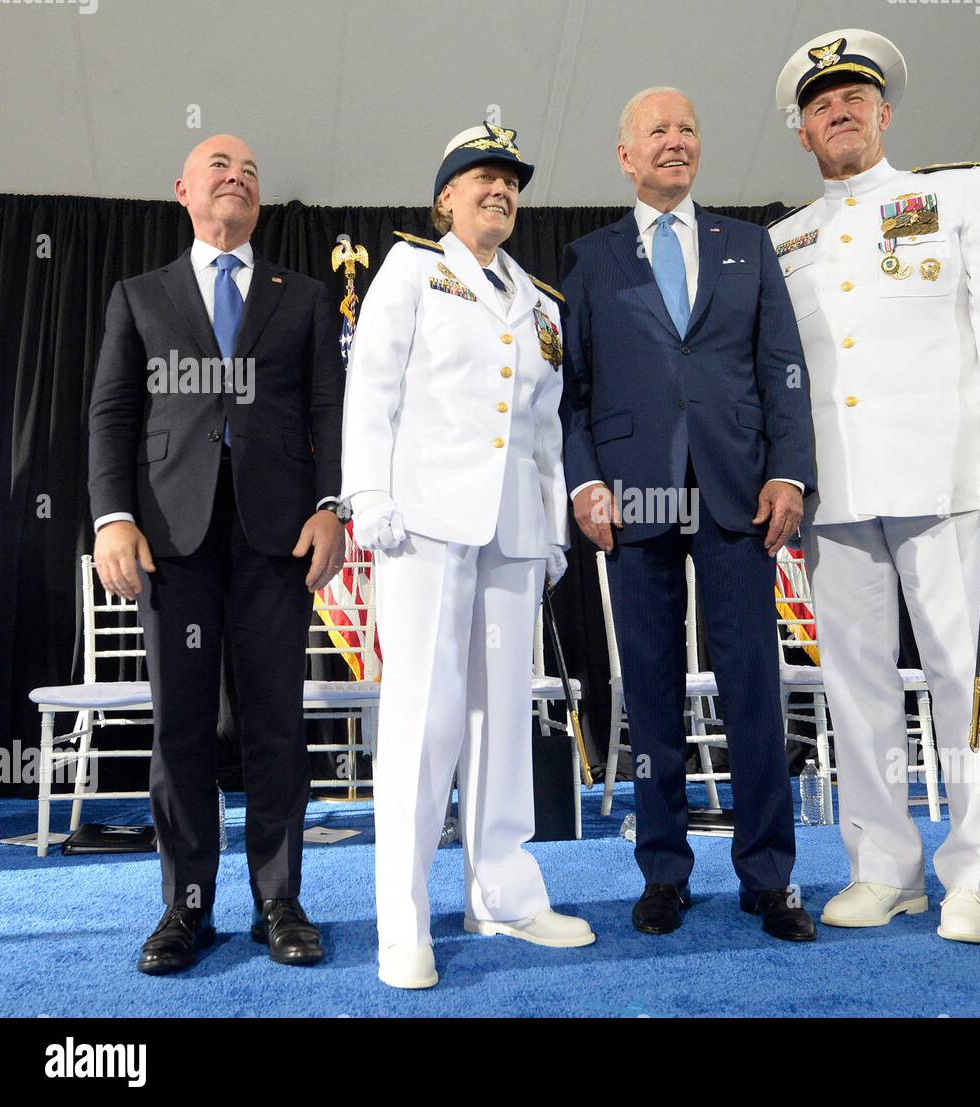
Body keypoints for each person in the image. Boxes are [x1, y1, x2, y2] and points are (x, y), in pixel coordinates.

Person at [770, 30, 980, 942]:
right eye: (820, 104)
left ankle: (975, 873)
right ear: (802, 134)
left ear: (885, 112)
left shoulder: (957, 193)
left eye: (854, 96)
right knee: (855, 688)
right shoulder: (784, 239)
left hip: (944, 477)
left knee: (963, 679)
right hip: (837, 493)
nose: (839, 110)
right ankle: (884, 867)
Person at [341, 122, 595, 990]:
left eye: (511, 180)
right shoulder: (413, 269)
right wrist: (365, 494)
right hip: (424, 526)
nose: (500, 190)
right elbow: (370, 387)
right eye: (482, 177)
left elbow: (545, 432)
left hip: (514, 531)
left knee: (501, 715)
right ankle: (403, 921)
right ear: (445, 195)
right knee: (422, 716)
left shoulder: (541, 301)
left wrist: (554, 525)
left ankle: (504, 891)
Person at [561, 88, 817, 942]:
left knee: (753, 683)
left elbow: (783, 366)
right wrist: (583, 482)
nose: (676, 142)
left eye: (688, 130)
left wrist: (790, 472)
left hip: (738, 488)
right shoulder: (590, 259)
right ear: (625, 156)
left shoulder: (748, 246)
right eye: (656, 131)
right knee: (654, 688)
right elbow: (573, 396)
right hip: (634, 496)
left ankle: (769, 876)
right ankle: (664, 870)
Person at [89, 134, 343, 973]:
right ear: (183, 191)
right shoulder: (140, 295)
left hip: (277, 535)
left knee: (275, 722)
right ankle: (184, 908)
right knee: (182, 728)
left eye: (250, 171)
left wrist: (331, 507)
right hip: (171, 539)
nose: (237, 178)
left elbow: (328, 412)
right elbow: (113, 416)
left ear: (259, 201)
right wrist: (113, 517)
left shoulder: (301, 297)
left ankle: (280, 900)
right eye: (219, 168)